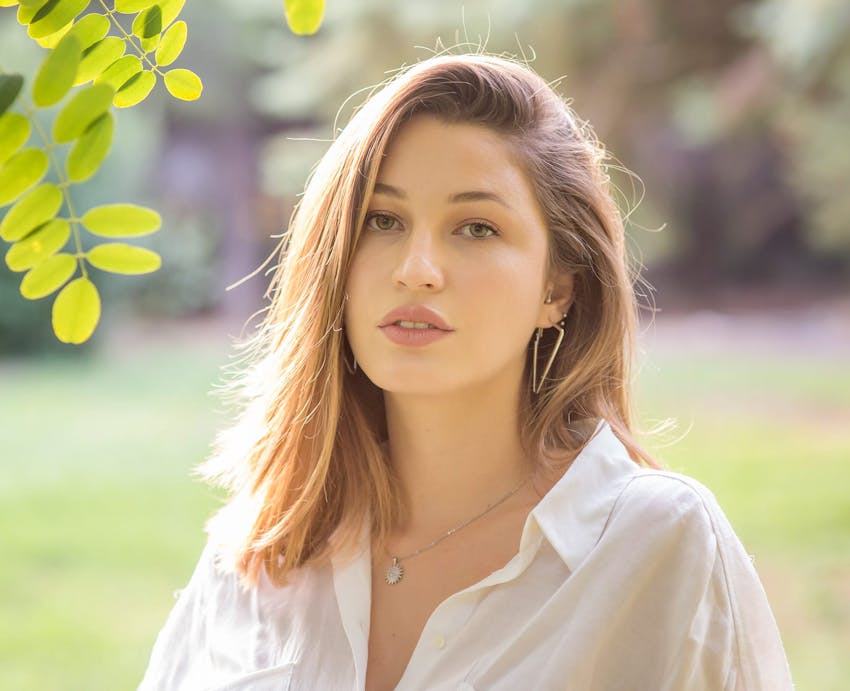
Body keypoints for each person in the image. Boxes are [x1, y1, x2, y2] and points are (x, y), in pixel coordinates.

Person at [138, 52, 794, 690]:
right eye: (383, 220)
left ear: (557, 289)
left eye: (476, 228)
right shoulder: (265, 546)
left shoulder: (657, 545)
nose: (416, 269)